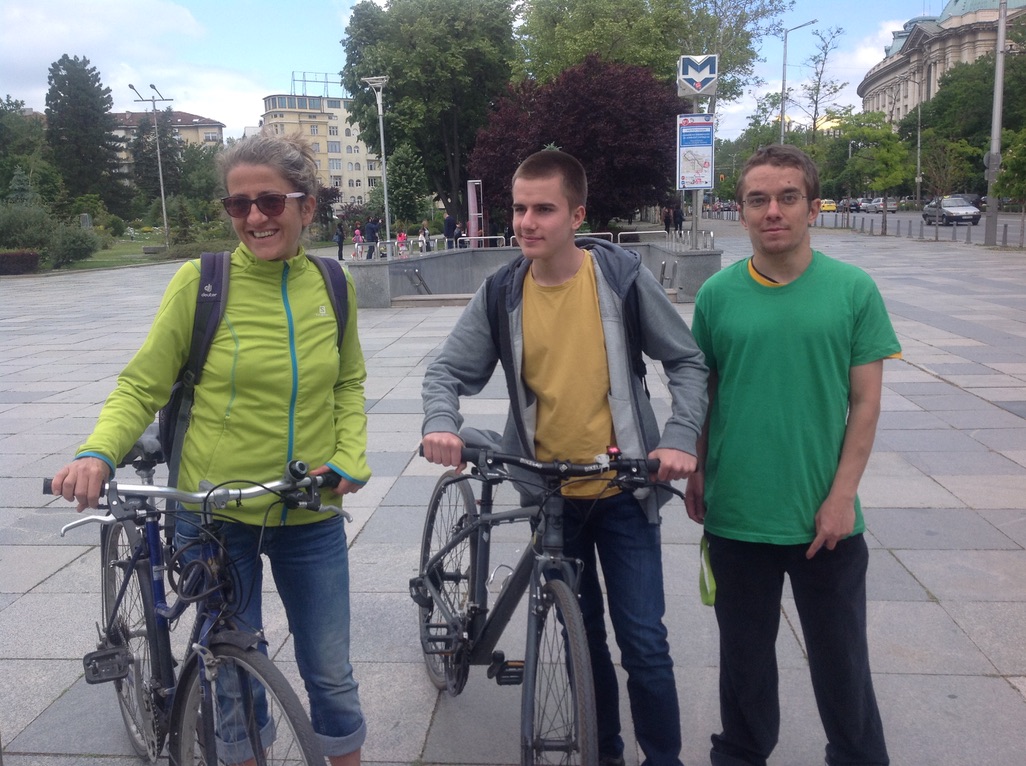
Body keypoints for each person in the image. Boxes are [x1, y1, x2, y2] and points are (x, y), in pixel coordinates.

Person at [51, 132, 372, 766]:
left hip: (307, 506)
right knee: (232, 679)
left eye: (270, 202)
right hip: (213, 512)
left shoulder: (333, 283)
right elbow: (142, 384)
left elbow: (348, 381)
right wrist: (97, 453)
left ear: (306, 206)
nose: (254, 217)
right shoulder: (202, 282)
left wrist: (350, 457)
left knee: (331, 672)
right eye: (238, 204)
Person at [421, 149, 708, 766]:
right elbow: (446, 371)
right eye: (519, 208)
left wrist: (680, 437)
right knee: (586, 640)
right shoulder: (502, 291)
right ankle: (603, 753)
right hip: (550, 495)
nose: (527, 222)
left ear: (576, 215)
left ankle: (664, 758)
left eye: (544, 209)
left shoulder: (622, 278)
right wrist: (440, 423)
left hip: (624, 488)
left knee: (645, 643)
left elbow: (686, 361)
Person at [685, 144, 898, 766]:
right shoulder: (717, 295)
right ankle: (742, 754)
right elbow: (705, 391)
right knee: (744, 663)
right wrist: (698, 468)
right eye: (758, 199)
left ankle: (858, 757)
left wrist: (841, 497)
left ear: (812, 205)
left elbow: (866, 403)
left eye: (787, 197)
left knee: (842, 661)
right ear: (741, 211)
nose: (772, 211)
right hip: (738, 512)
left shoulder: (852, 290)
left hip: (824, 518)